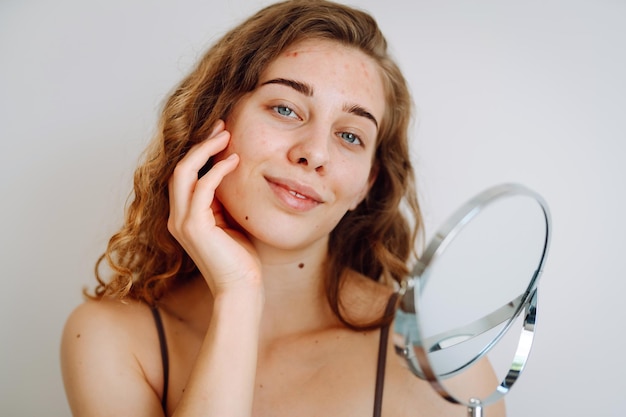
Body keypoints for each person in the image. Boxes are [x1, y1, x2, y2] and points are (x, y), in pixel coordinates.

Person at [61, 1, 505, 416]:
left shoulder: (441, 364)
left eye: (350, 136)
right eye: (286, 109)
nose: (314, 153)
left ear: (366, 185)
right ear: (214, 121)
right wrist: (238, 296)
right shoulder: (111, 337)